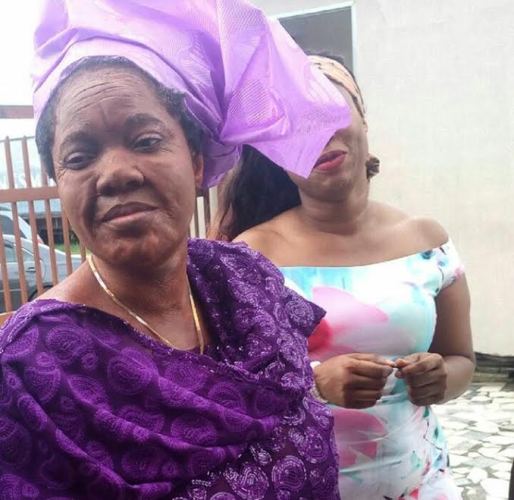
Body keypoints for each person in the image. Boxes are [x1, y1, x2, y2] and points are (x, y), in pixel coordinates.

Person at [0, 3, 352, 498]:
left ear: (196, 161)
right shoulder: (32, 366)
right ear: (59, 183)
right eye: (79, 157)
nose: (116, 173)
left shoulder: (247, 284)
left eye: (145, 140)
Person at [214, 54, 475, 499]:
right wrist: (315, 384)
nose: (317, 131)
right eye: (293, 122)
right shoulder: (251, 256)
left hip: (423, 485)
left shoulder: (427, 243)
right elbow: (230, 393)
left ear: (363, 119)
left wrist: (442, 378)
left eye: (329, 107)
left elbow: (461, 360)